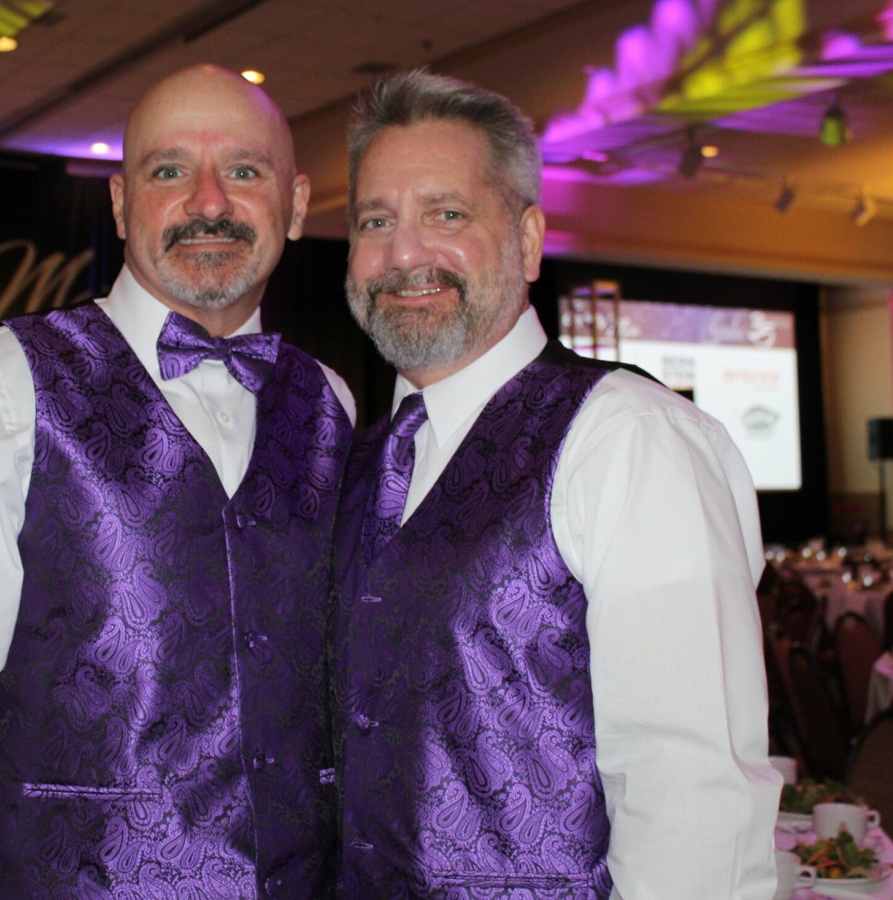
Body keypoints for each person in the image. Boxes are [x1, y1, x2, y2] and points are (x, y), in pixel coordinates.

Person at [0, 64, 355, 898]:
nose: (208, 201)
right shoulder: (1, 386)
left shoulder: (333, 402)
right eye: (169, 170)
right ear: (120, 204)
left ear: (294, 206)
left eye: (244, 170)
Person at [331, 69, 780, 898]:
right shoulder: (359, 463)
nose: (404, 254)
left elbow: (691, 801)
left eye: (447, 214)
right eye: (376, 221)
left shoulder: (628, 439)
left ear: (529, 240)